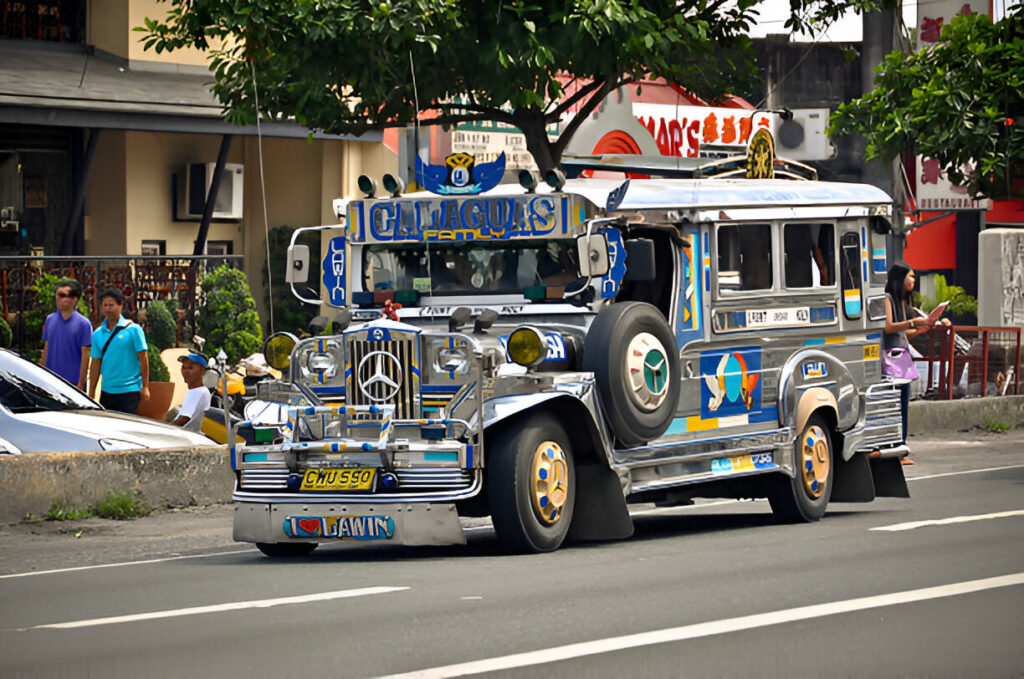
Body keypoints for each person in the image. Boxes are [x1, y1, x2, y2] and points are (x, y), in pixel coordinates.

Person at [883, 263, 951, 463]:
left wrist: (923, 328)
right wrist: (913, 322)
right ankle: (893, 447)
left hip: (902, 355)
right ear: (900, 278)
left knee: (904, 403)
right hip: (890, 357)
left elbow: (903, 334)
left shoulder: (903, 301)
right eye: (910, 276)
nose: (913, 280)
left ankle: (900, 447)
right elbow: (888, 327)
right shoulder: (887, 299)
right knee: (894, 404)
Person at [88, 288, 149, 414]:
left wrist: (145, 387)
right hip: (107, 391)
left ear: (121, 305)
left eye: (111, 305)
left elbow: (143, 359)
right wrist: (91, 392)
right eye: (105, 305)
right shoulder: (97, 334)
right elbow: (95, 363)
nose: (108, 309)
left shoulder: (134, 330)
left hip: (129, 391)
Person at [40, 279, 92, 390]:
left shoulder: (84, 324)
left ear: (74, 299)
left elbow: (86, 355)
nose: (58, 298)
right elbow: (46, 348)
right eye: (57, 295)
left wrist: (81, 383)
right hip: (50, 381)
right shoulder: (50, 319)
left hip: (72, 384)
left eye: (63, 295)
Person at [172, 352, 211, 432]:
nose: (185, 371)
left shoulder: (199, 392)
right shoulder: (195, 391)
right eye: (183, 367)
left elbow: (182, 420)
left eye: (190, 368)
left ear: (202, 371)